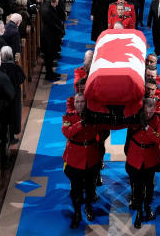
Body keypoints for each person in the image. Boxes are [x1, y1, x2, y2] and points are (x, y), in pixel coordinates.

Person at [62, 93, 106, 228]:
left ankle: (88, 208)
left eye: (82, 102)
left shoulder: (94, 117)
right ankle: (77, 213)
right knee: (76, 190)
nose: (80, 104)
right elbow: (67, 132)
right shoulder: (69, 117)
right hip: (75, 159)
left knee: (90, 187)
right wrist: (82, 123)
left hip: (92, 157)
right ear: (74, 104)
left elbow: (103, 131)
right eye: (78, 102)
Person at [125, 98, 160, 228]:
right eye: (147, 111)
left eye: (152, 110)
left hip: (150, 158)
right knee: (137, 186)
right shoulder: (135, 118)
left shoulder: (159, 120)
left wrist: (147, 127)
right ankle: (139, 212)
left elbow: (158, 139)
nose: (149, 113)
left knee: (149, 185)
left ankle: (147, 208)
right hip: (135, 156)